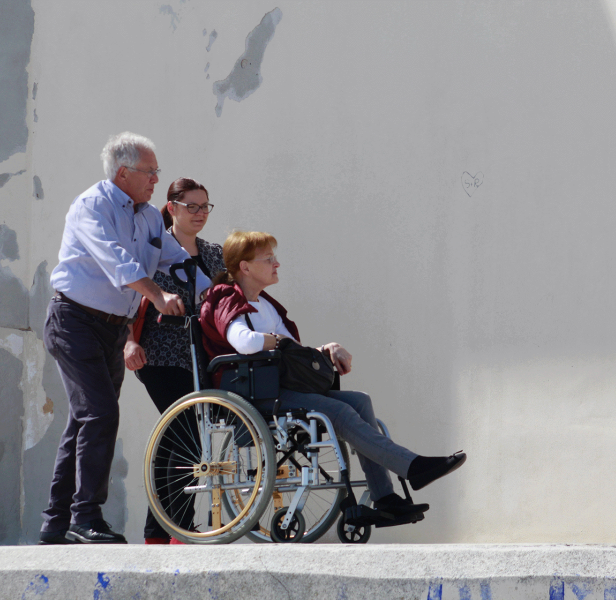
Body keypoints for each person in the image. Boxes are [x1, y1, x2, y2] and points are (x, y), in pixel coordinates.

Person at [201, 230, 466, 518]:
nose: (277, 263)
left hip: (278, 385)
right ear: (245, 267)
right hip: (251, 391)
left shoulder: (265, 305)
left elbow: (293, 352)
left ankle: (385, 497)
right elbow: (245, 342)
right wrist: (278, 341)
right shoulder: (225, 297)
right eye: (268, 259)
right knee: (338, 412)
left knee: (360, 400)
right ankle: (413, 466)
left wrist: (327, 348)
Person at [39, 133, 211, 545]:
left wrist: (222, 296)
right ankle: (85, 517)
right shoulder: (92, 206)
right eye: (149, 171)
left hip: (113, 328)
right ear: (123, 173)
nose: (156, 179)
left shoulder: (150, 216)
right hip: (74, 321)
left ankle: (55, 523)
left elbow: (177, 259)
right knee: (100, 414)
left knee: (84, 420)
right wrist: (157, 295)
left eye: (156, 171)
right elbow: (116, 261)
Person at [124, 177, 224, 544]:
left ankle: (161, 532)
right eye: (191, 206)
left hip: (201, 357)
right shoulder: (154, 249)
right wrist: (128, 343)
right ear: (172, 208)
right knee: (187, 435)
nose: (200, 213)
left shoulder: (214, 254)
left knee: (178, 438)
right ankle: (177, 529)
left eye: (205, 206)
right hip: (160, 355)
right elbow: (129, 298)